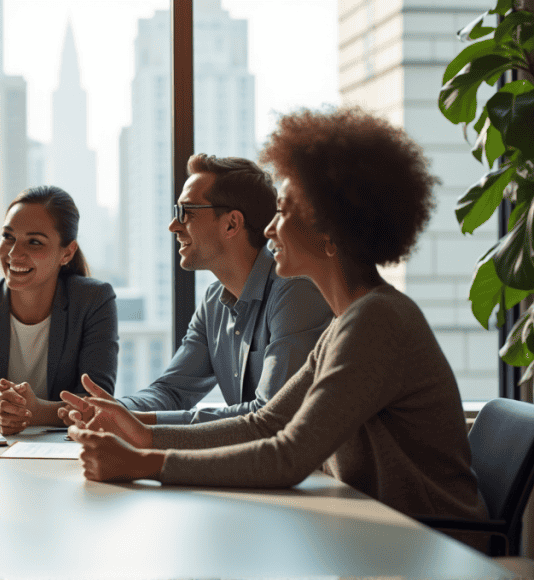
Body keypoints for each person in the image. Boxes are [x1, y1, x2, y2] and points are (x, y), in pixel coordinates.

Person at [65, 107, 486, 530]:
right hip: (379, 535)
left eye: (282, 212)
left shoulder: (375, 321)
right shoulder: (349, 321)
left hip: (434, 548)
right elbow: (266, 422)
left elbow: (287, 456)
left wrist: (144, 462)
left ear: (328, 230)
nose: (268, 230)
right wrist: (142, 434)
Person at [60, 155, 331, 427]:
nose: (173, 226)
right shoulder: (214, 301)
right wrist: (111, 409)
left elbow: (272, 416)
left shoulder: (295, 292)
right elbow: (171, 391)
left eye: (186, 212)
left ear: (231, 224)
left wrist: (139, 422)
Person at [0, 185, 118, 435]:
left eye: (34, 242)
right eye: (8, 237)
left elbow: (97, 401)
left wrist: (34, 411)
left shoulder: (94, 300)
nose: (13, 253)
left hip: (66, 448)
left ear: (67, 253)